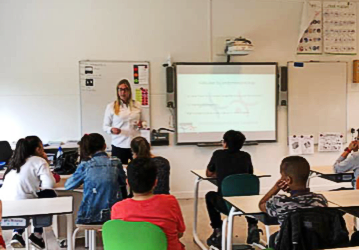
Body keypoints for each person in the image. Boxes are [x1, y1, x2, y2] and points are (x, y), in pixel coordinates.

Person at [111, 158, 186, 250]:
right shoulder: (170, 202)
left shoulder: (117, 208)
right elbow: (180, 232)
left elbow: (121, 238)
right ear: (155, 182)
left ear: (128, 183)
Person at [205, 130, 260, 248]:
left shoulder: (218, 154)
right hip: (247, 204)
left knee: (209, 195)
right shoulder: (246, 156)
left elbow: (209, 173)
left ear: (225, 143)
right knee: (247, 195)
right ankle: (253, 226)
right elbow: (249, 174)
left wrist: (220, 173)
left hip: (226, 204)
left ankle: (217, 230)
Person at [259, 156, 328, 248]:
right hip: (316, 244)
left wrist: (276, 187)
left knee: (273, 238)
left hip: (289, 244)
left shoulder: (279, 202)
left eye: (282, 176)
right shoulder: (320, 200)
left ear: (287, 180)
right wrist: (292, 192)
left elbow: (261, 204)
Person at [0, 136, 56, 249]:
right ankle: (37, 234)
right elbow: (49, 185)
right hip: (25, 204)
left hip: (5, 206)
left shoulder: (13, 161)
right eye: (41, 148)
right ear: (37, 149)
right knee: (48, 195)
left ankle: (17, 233)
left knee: (24, 200)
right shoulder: (39, 161)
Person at [65, 133, 126, 224]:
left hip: (90, 215)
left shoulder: (85, 164)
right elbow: (123, 183)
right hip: (114, 214)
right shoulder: (116, 162)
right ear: (105, 146)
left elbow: (68, 186)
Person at [103, 79, 143, 165]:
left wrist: (141, 124)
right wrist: (111, 130)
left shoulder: (137, 105)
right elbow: (105, 126)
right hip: (119, 144)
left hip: (135, 145)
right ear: (117, 91)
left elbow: (145, 122)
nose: (123, 92)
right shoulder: (111, 106)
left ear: (129, 91)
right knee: (118, 173)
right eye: (120, 89)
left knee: (137, 171)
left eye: (125, 89)